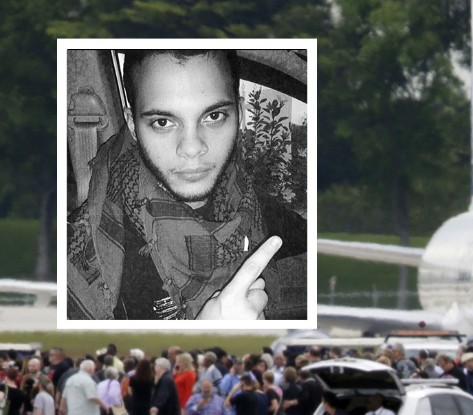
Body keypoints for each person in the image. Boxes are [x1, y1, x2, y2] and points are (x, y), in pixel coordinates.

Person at [66, 49, 306, 321]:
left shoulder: (246, 199)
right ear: (133, 125)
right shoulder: (86, 248)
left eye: (213, 117)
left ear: (239, 114)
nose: (192, 148)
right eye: (163, 122)